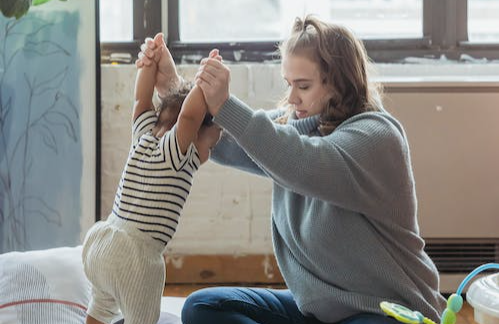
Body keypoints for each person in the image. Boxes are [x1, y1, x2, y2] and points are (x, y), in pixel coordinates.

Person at [136, 16, 446, 324]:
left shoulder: (377, 137)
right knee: (203, 307)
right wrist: (173, 88)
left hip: (388, 310)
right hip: (319, 310)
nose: (293, 96)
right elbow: (225, 139)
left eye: (304, 86)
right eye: (289, 84)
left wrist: (226, 105)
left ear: (340, 82)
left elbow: (301, 161)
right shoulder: (296, 125)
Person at [82, 33, 221, 324]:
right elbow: (189, 118)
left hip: (102, 243)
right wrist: (203, 85)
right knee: (142, 319)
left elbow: (141, 99)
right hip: (134, 257)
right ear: (192, 136)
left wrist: (148, 64)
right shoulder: (175, 152)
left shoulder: (143, 135)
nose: (210, 152)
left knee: (100, 307)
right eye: (211, 143)